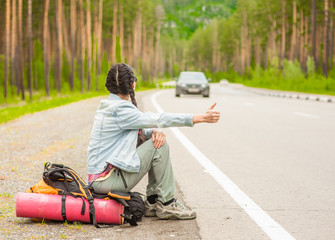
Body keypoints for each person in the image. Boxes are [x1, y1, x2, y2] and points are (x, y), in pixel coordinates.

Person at [87, 63, 220, 220]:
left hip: (99, 180)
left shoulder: (109, 106)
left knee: (154, 139)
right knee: (158, 146)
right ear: (133, 84)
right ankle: (167, 203)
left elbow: (140, 130)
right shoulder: (120, 110)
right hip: (107, 180)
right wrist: (200, 118)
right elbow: (159, 118)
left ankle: (152, 202)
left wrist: (156, 131)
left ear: (108, 85)